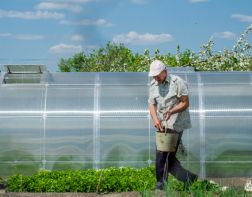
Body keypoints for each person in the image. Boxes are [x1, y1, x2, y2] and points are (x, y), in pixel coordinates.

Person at [148, 60, 198, 190]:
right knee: (165, 155)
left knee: (163, 153)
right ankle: (189, 178)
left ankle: (160, 184)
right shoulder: (153, 84)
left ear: (165, 72)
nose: (155, 77)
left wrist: (171, 111)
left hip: (177, 122)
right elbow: (151, 104)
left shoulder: (177, 82)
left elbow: (185, 103)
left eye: (157, 75)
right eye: (153, 75)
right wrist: (155, 120)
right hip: (162, 124)